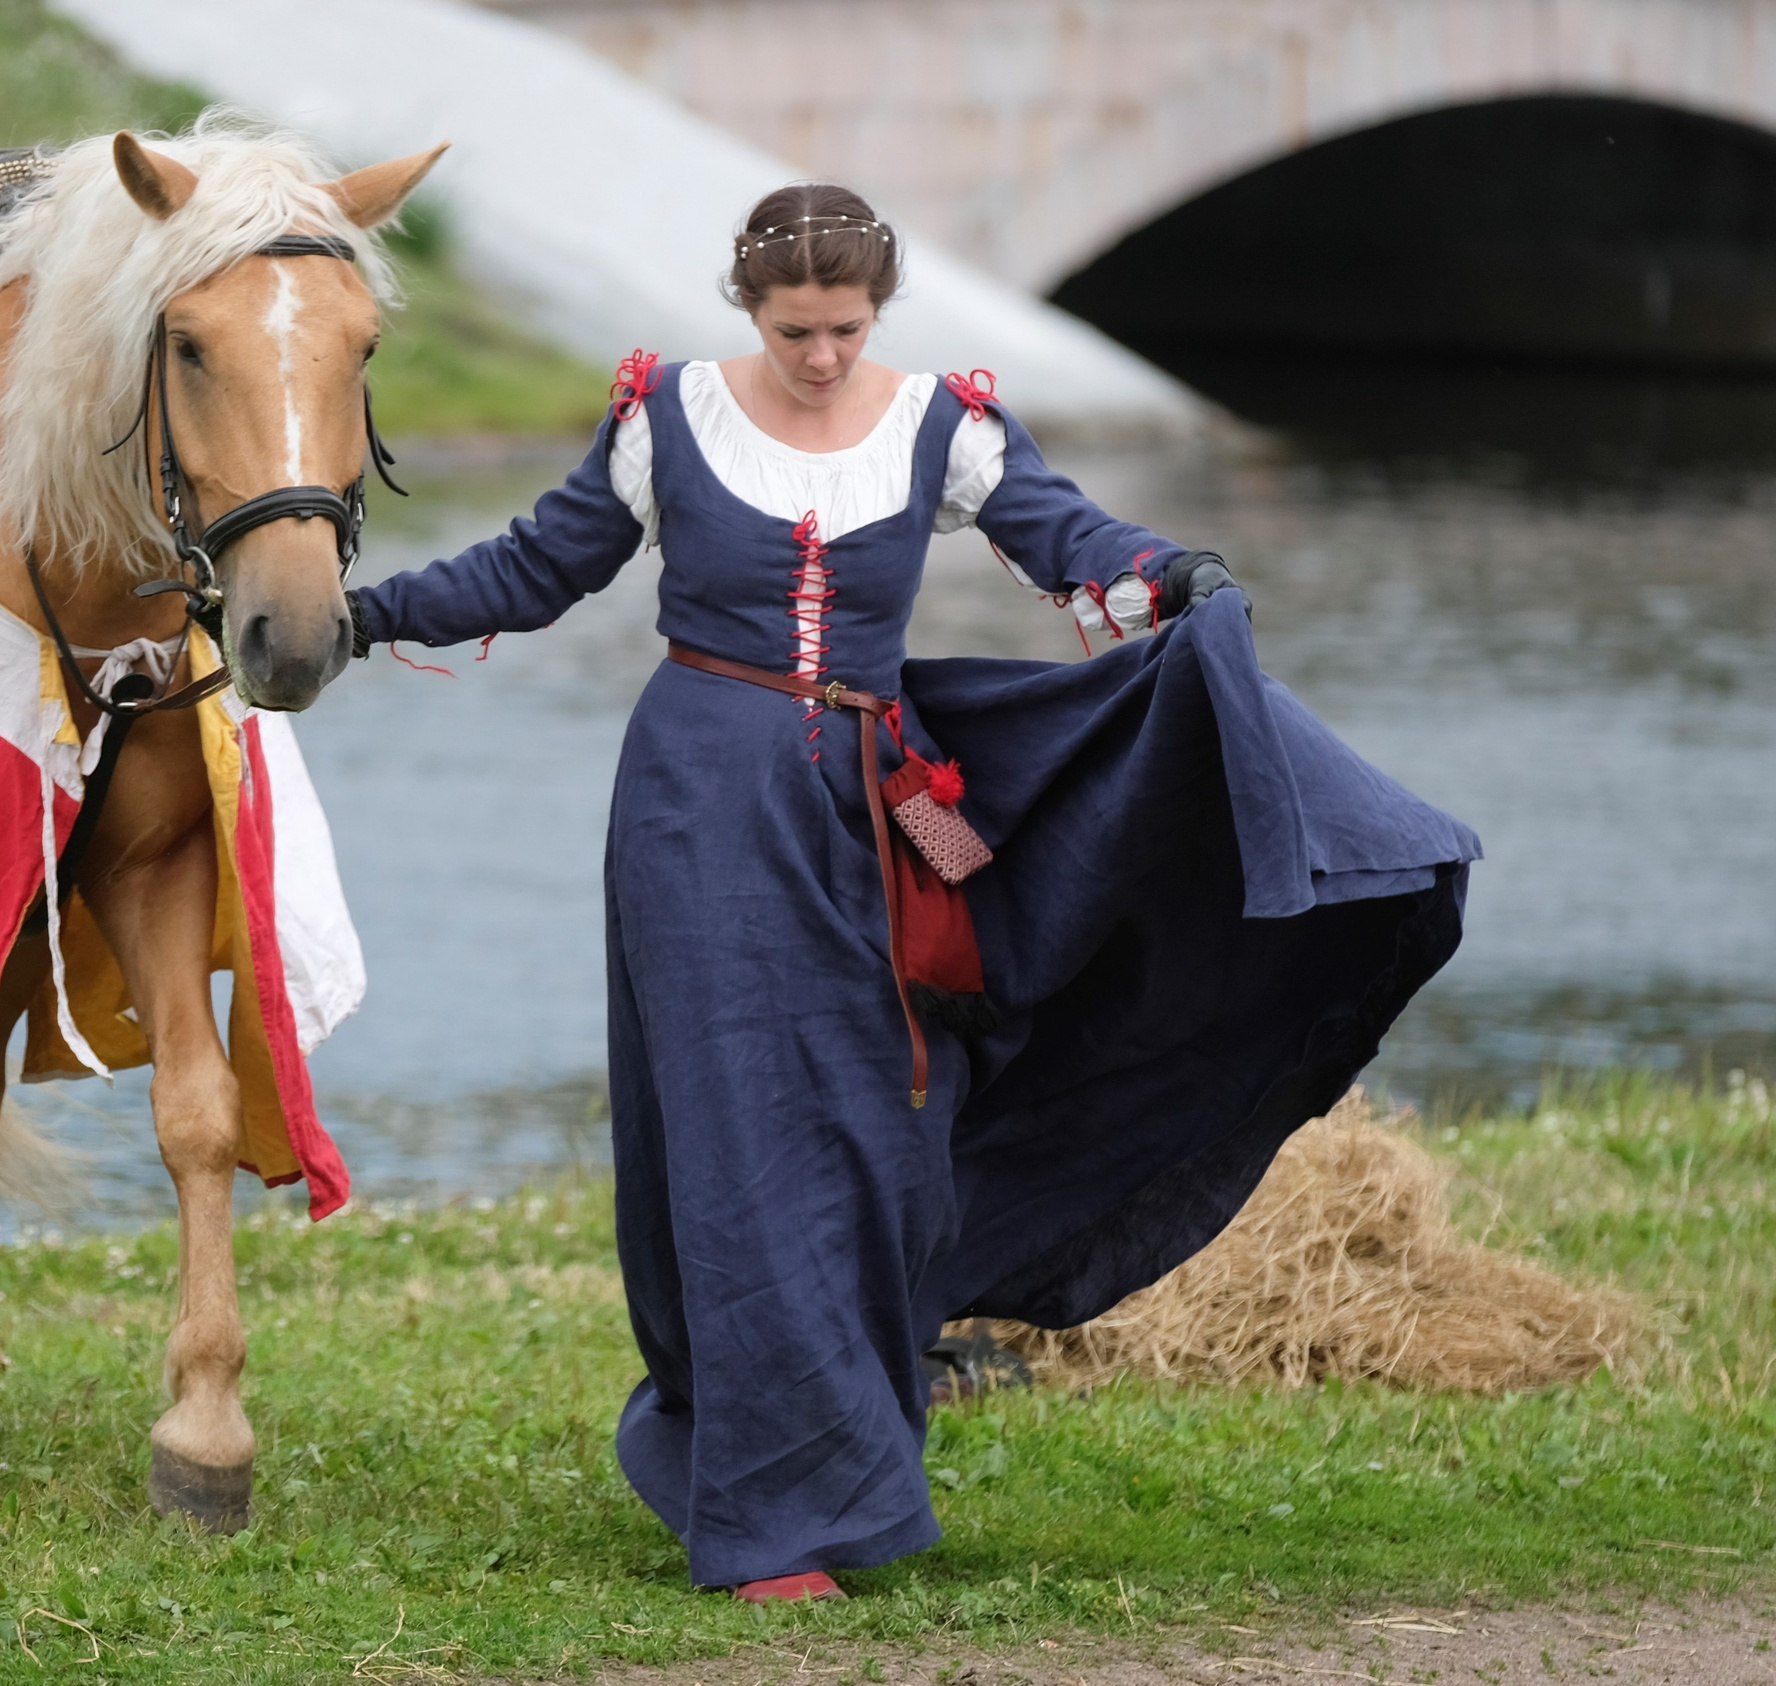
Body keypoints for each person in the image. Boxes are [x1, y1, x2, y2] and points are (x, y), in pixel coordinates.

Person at [348, 184, 1479, 1602]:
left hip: (871, 803)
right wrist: (369, 614)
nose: (820, 354)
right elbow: (531, 568)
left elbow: (1071, 540)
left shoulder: (944, 426)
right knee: (741, 1132)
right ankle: (771, 1523)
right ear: (746, 308)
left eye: (844, 326)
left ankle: (828, 1452)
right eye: (792, 327)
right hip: (699, 801)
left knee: (890, 1126)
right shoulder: (668, 419)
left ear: (876, 309)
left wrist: (1167, 571)